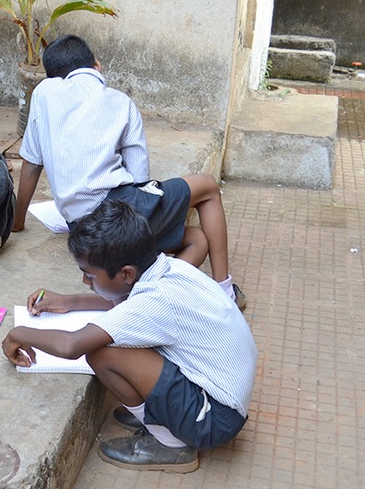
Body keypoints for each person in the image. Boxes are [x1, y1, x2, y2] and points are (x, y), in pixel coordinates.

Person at [2, 201, 256, 473]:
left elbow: (71, 345)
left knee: (102, 352)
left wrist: (18, 333)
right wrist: (70, 301)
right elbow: (126, 301)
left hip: (213, 419)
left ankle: (171, 445)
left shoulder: (155, 302)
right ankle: (161, 415)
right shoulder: (169, 269)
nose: (86, 282)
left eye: (89, 276)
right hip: (222, 400)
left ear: (126, 273)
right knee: (117, 338)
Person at [14, 34, 245, 309]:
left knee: (196, 238)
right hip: (118, 212)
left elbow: (31, 163)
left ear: (53, 76)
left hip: (83, 229)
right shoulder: (120, 102)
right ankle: (224, 291)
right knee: (206, 186)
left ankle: (143, 295)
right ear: (97, 66)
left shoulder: (43, 93)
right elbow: (140, 178)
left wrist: (17, 222)